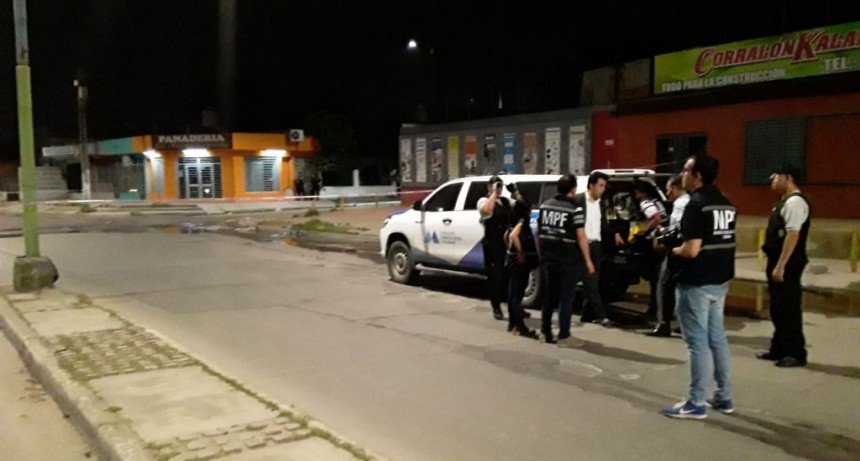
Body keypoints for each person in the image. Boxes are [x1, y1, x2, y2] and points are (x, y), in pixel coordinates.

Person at [661, 154, 736, 419]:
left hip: (697, 281)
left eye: (686, 170)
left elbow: (691, 250)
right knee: (717, 339)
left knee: (697, 343)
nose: (682, 174)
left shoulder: (696, 205)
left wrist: (671, 248)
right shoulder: (725, 203)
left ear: (697, 176)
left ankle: (696, 402)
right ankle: (724, 396)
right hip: (720, 280)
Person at [758, 165, 810, 368]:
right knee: (778, 307)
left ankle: (796, 352)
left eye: (776, 177)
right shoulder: (785, 201)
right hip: (778, 259)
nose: (772, 180)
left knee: (788, 308)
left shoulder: (795, 202)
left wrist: (781, 265)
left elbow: (793, 234)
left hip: (788, 262)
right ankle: (779, 347)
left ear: (787, 178)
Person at [537, 173, 594, 348]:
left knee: (549, 295)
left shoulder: (545, 205)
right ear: (573, 190)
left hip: (548, 258)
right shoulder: (574, 209)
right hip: (568, 259)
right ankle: (564, 336)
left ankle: (545, 332)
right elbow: (581, 236)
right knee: (566, 297)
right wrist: (588, 260)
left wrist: (541, 254)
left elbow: (539, 232)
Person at [573, 172, 625, 326]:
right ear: (591, 185)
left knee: (593, 282)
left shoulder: (601, 204)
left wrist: (614, 233)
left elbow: (603, 224)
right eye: (601, 185)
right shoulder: (578, 200)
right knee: (588, 280)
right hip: (581, 245)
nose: (603, 189)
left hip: (596, 245)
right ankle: (602, 316)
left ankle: (586, 314)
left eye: (604, 186)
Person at [648, 174, 690, 337]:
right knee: (682, 288)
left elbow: (677, 229)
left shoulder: (680, 204)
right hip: (688, 251)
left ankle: (664, 324)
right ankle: (683, 322)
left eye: (667, 189)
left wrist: (661, 235)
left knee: (665, 286)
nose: (667, 193)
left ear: (674, 188)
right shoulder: (690, 201)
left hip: (676, 251)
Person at [478, 175, 515, 321]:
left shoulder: (505, 201)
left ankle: (513, 307)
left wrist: (515, 192)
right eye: (496, 186)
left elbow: (521, 207)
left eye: (500, 186)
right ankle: (496, 307)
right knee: (495, 277)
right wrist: (493, 193)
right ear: (489, 187)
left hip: (506, 244)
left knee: (508, 276)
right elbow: (487, 211)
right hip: (492, 243)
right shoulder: (483, 200)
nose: (499, 189)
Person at [632, 179, 669, 319]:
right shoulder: (656, 199)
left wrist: (645, 233)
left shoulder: (645, 202)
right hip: (667, 238)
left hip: (659, 241)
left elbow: (656, 218)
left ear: (637, 192)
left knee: (656, 278)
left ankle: (656, 310)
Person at [504, 190, 539, 338]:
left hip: (511, 260)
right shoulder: (522, 221)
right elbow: (513, 236)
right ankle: (519, 326)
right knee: (517, 294)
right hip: (519, 262)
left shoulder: (512, 220)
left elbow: (506, 236)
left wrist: (509, 249)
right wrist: (520, 251)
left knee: (512, 292)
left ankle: (512, 324)